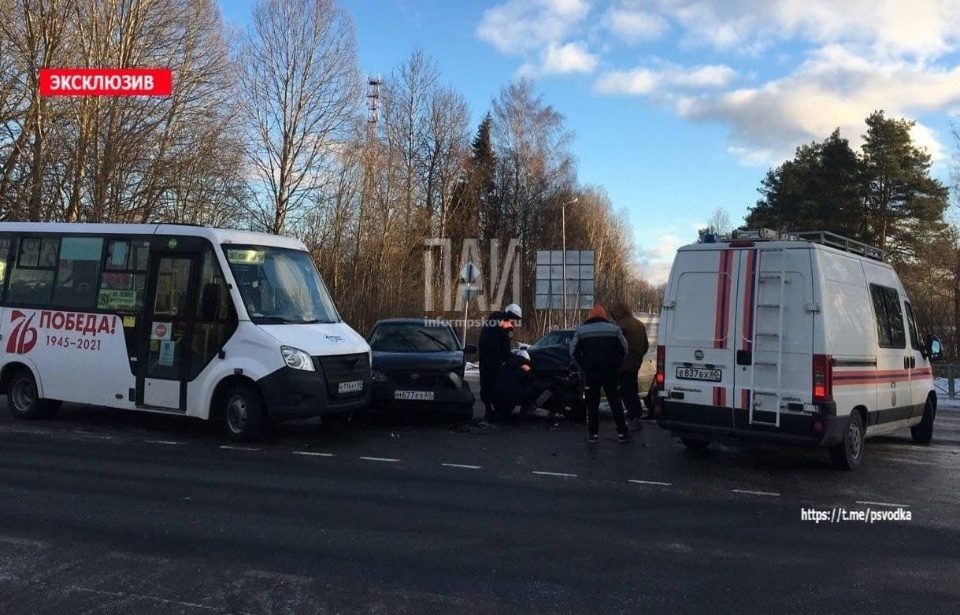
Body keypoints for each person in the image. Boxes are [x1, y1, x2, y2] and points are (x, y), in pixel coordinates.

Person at [570, 305, 629, 443]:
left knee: (592, 404)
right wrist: (617, 365)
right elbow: (625, 350)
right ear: (604, 316)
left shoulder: (581, 330)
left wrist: (582, 368)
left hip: (591, 373)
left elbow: (573, 353)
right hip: (611, 372)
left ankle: (593, 435)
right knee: (615, 401)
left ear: (590, 316)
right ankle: (622, 433)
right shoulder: (615, 330)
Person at [478, 303, 522, 422]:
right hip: (496, 360)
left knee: (485, 383)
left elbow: (483, 339)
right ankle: (500, 411)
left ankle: (488, 410)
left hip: (484, 359)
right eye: (514, 319)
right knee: (498, 383)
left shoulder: (491, 320)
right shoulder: (506, 325)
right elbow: (505, 345)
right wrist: (509, 356)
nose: (514, 321)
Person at [608, 301, 649, 430]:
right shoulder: (639, 324)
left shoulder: (620, 326)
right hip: (636, 362)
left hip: (623, 364)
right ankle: (637, 415)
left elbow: (616, 346)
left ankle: (632, 417)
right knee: (632, 389)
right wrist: (638, 356)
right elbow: (646, 345)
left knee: (625, 391)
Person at [493, 349, 538, 420]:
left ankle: (503, 413)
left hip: (498, 392)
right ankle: (522, 415)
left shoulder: (506, 363)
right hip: (514, 393)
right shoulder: (525, 365)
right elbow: (530, 378)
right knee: (529, 390)